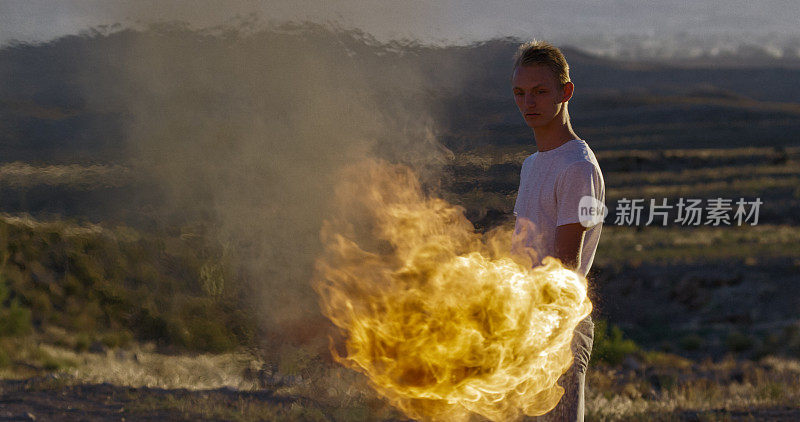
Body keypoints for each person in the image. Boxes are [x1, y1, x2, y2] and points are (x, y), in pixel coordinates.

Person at [510, 40, 605, 422]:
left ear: (565, 92)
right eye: (520, 93)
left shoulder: (578, 167)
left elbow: (565, 268)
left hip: (558, 328)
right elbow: (521, 250)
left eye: (539, 92)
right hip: (523, 322)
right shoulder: (532, 164)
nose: (528, 102)